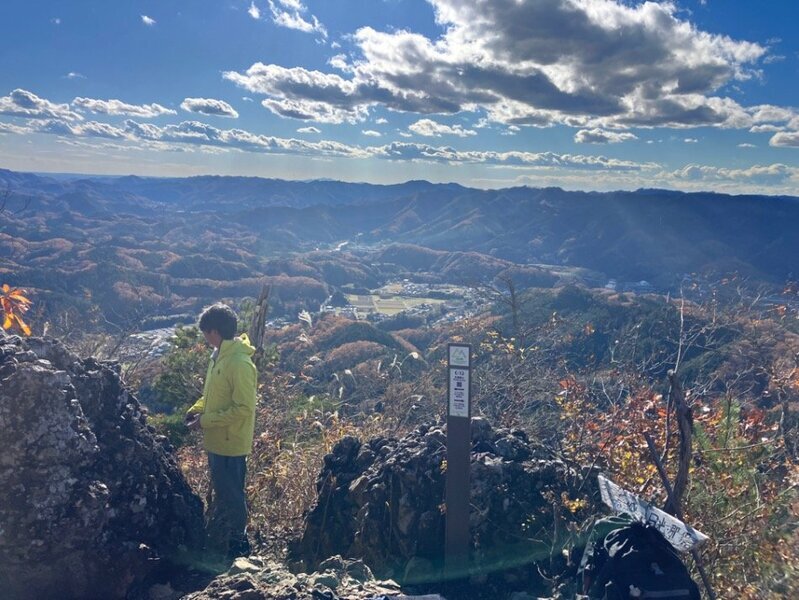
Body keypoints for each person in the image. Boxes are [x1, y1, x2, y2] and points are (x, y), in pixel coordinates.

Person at [185, 303, 257, 562]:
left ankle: (239, 544)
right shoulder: (218, 358)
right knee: (224, 493)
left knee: (232, 494)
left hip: (231, 441)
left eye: (206, 332)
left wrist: (205, 422)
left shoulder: (239, 363)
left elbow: (243, 408)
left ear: (214, 331)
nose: (204, 338)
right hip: (216, 439)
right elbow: (211, 397)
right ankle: (227, 541)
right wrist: (195, 411)